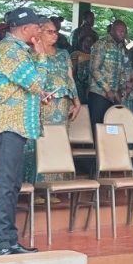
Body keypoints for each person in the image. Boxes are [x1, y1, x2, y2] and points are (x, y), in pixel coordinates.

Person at [0, 8, 50, 257]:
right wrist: (41, 56)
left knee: (11, 185)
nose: (40, 31)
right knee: (3, 186)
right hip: (6, 125)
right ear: (25, 28)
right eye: (38, 27)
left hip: (16, 126)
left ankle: (9, 241)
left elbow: (28, 88)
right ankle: (0, 244)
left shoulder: (18, 50)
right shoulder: (10, 50)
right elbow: (35, 82)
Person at [22, 19, 81, 184]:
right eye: (50, 31)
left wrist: (76, 101)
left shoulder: (63, 54)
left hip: (62, 106)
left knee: (58, 141)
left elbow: (70, 78)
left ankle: (57, 184)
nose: (55, 35)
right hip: (40, 105)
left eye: (56, 32)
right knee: (40, 142)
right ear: (39, 32)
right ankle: (36, 184)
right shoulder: (29, 53)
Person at [88, 19, 131, 125]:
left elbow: (121, 70)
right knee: (98, 127)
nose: (123, 34)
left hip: (114, 95)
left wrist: (121, 89)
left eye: (124, 32)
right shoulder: (101, 44)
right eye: (120, 31)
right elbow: (94, 69)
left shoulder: (120, 48)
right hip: (99, 93)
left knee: (111, 127)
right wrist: (108, 90)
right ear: (112, 30)